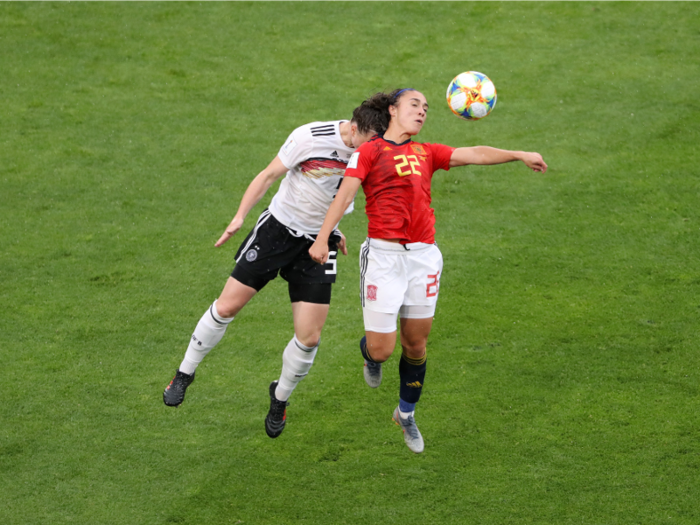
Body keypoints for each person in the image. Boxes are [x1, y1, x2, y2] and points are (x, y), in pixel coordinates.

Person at [309, 88, 547, 453]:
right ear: (392, 110)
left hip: (423, 258)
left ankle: (405, 413)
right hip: (384, 259)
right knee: (383, 349)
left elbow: (475, 153)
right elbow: (344, 196)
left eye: (426, 108)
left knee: (416, 344)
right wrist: (322, 238)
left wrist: (518, 154)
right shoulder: (369, 152)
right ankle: (369, 355)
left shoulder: (427, 152)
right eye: (414, 105)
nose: (422, 112)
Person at [163, 101, 387, 439]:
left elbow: (344, 197)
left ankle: (279, 398)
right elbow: (269, 175)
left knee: (309, 337)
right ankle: (184, 373)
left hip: (318, 244)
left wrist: (333, 232)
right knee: (227, 306)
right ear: (354, 128)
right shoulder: (310, 137)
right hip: (277, 232)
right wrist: (239, 216)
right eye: (370, 139)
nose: (374, 148)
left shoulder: (373, 152)